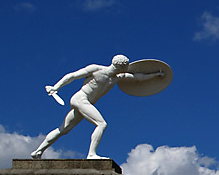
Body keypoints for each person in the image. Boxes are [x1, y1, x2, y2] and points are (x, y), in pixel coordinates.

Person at [31, 54, 165, 160]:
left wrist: (156, 75)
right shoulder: (96, 69)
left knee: (64, 129)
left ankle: (38, 152)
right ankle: (91, 154)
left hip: (86, 103)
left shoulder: (118, 77)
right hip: (80, 99)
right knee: (101, 124)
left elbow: (137, 77)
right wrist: (56, 87)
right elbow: (72, 76)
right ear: (121, 66)